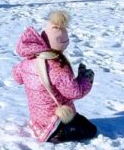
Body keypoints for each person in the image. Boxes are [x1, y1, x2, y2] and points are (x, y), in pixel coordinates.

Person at [13, 10, 98, 142]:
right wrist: (86, 78)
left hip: (38, 119)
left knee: (80, 120)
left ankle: (51, 130)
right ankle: (59, 135)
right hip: (55, 121)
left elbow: (17, 77)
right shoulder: (57, 67)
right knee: (90, 130)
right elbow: (74, 92)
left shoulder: (27, 61)